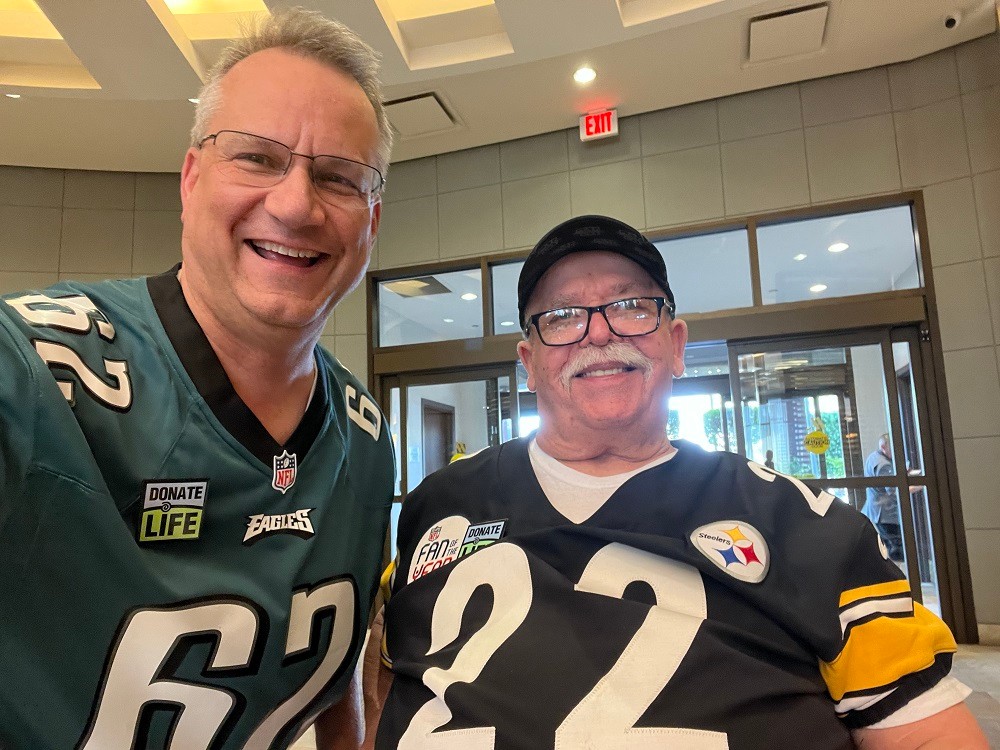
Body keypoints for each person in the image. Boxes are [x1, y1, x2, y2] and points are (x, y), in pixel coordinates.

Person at [363, 215, 987, 749]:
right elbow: (389, 677)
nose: (599, 331)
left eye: (632, 306)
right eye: (561, 316)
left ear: (677, 345)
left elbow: (929, 731)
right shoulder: (438, 506)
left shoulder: (805, 525)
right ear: (528, 363)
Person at [0, 8, 395, 749]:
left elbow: (338, 662)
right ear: (190, 179)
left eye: (339, 177)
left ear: (371, 222)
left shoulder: (366, 437)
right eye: (256, 157)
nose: (295, 204)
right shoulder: (33, 367)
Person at [862, 432, 904, 562]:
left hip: (876, 512)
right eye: (894, 447)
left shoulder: (873, 457)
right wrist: (920, 485)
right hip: (886, 515)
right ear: (883, 447)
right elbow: (896, 491)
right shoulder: (883, 465)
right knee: (898, 552)